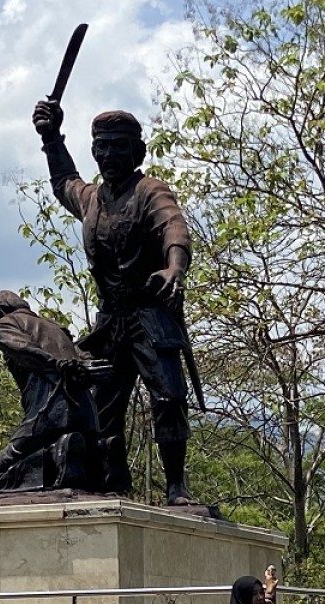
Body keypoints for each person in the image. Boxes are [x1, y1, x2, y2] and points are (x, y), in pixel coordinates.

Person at [32, 99, 199, 505]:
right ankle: (112, 478)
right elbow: (63, 182)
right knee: (100, 401)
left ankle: (175, 485)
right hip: (111, 322)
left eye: (119, 147)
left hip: (150, 314)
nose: (109, 155)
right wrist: (52, 137)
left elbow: (173, 226)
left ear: (136, 152)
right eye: (102, 148)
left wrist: (174, 268)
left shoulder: (149, 191)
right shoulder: (92, 200)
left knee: (169, 397)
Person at [0, 291, 103, 495]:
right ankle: (102, 449)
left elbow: (24, 351)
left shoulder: (5, 324)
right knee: (88, 481)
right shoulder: (57, 328)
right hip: (86, 414)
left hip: (49, 411)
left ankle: (58, 452)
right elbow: (84, 359)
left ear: (0, 312)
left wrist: (55, 364)